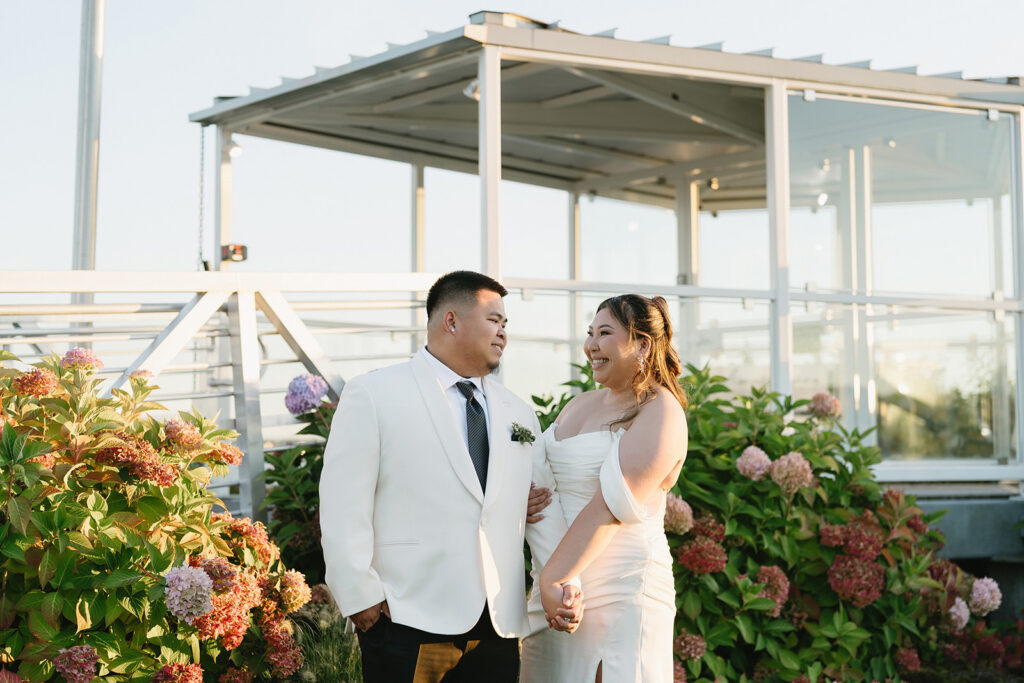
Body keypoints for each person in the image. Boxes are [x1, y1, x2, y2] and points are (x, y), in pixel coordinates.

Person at [319, 270, 583, 683]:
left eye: (505, 324)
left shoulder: (517, 410)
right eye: (494, 320)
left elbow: (541, 504)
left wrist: (562, 584)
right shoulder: (374, 394)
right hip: (406, 618)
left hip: (497, 625)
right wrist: (360, 597)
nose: (503, 332)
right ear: (452, 321)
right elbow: (342, 503)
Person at [520, 294, 689, 683]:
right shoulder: (577, 405)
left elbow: (609, 507)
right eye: (589, 333)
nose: (591, 345)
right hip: (558, 588)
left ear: (643, 344)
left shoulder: (660, 410)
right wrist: (522, 502)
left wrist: (553, 582)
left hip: (622, 592)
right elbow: (545, 477)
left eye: (605, 333)